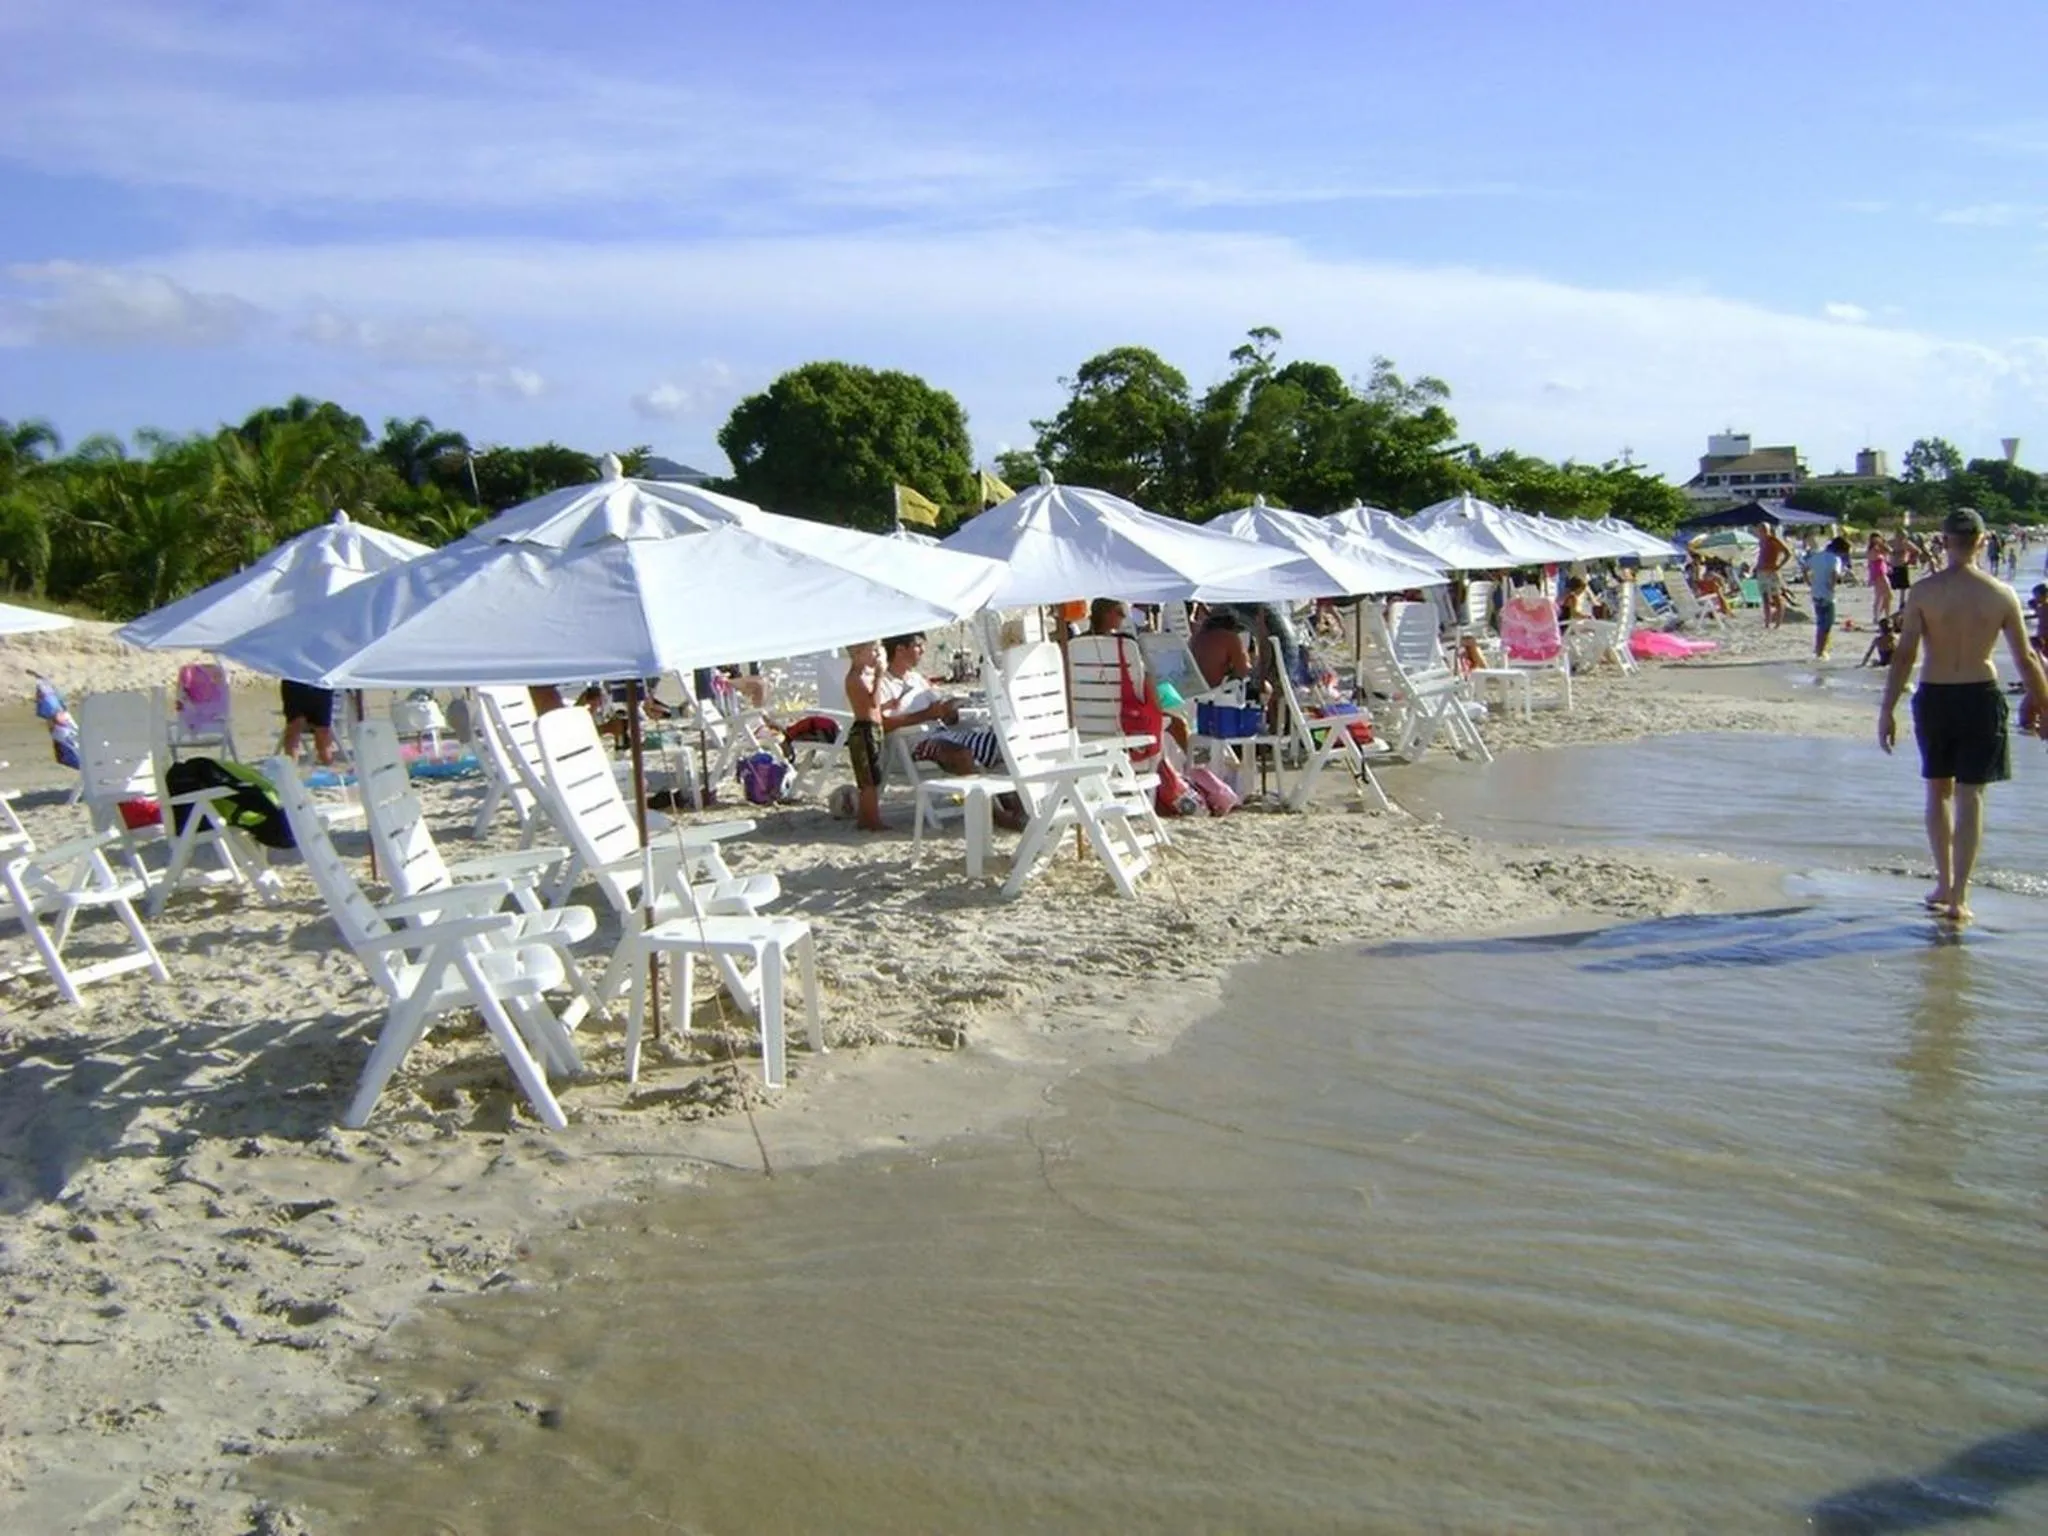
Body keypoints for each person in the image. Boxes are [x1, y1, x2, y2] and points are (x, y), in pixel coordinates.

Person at [1879, 507, 2048, 924]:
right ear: (1983, 540)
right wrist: (2044, 703)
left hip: (1935, 695)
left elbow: (1905, 656)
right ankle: (1959, 895)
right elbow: (2026, 658)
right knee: (1972, 795)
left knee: (1939, 792)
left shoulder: (1924, 592)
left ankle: (1943, 881)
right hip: (1979, 695)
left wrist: (1887, 710)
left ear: (1943, 540)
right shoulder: (2000, 593)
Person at [842, 640, 887, 832]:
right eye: (873, 651)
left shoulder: (862, 676)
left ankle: (865, 818)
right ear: (858, 653)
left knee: (873, 777)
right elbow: (872, 703)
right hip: (864, 729)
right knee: (869, 781)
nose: (876, 655)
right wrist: (879, 677)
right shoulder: (855, 678)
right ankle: (872, 820)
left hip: (872, 727)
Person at [1802, 536, 1852, 660]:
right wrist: (1832, 585)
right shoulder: (1835, 559)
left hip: (1815, 592)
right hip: (1827, 594)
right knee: (1827, 623)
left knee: (1820, 622)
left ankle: (1819, 649)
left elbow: (1804, 568)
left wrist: (1808, 582)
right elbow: (1834, 573)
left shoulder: (1817, 556)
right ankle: (1821, 651)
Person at [1190, 609, 1254, 690]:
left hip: (1194, 691)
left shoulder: (1195, 637)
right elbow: (1243, 671)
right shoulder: (1229, 637)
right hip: (1215, 692)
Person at [280, 679, 337, 766]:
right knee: (295, 726)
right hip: (295, 682)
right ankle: (291, 771)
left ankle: (330, 768)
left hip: (321, 684)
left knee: (323, 732)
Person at [1754, 523, 1792, 629]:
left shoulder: (1774, 540)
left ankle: (1778, 622)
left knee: (1775, 597)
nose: (1762, 532)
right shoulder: (1761, 541)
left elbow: (1788, 553)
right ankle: (1767, 622)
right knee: (1765, 597)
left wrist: (1779, 565)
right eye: (1760, 530)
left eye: (1764, 530)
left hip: (1772, 571)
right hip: (1761, 571)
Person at [1866, 532, 1893, 626]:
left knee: (1882, 596)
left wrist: (1883, 543)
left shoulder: (1880, 548)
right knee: (1887, 595)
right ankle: (1882, 616)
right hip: (1878, 574)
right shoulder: (1873, 549)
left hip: (1882, 573)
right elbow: (1873, 558)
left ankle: (1880, 616)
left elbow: (1890, 550)